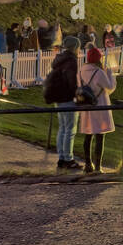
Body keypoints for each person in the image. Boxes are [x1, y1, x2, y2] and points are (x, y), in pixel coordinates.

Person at [75, 46, 117, 174]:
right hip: (99, 106)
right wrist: (111, 74)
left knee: (88, 136)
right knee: (99, 136)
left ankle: (88, 164)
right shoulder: (99, 72)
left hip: (87, 107)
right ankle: (98, 167)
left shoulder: (81, 71)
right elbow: (110, 87)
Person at [43, 36, 82, 169]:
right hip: (67, 97)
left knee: (63, 128)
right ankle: (68, 158)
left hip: (58, 97)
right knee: (70, 130)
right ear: (75, 47)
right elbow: (71, 81)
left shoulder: (59, 59)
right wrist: (76, 94)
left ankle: (61, 157)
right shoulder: (71, 61)